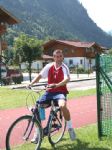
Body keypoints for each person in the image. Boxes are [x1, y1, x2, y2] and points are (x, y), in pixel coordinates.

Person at [28, 49, 76, 143]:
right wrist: (31, 83)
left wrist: (56, 85)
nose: (58, 58)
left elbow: (67, 79)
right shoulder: (49, 66)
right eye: (56, 56)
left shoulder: (64, 67)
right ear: (53, 57)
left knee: (62, 106)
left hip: (60, 92)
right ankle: (38, 132)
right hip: (49, 93)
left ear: (62, 57)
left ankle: (70, 128)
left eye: (60, 56)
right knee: (37, 107)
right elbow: (40, 75)